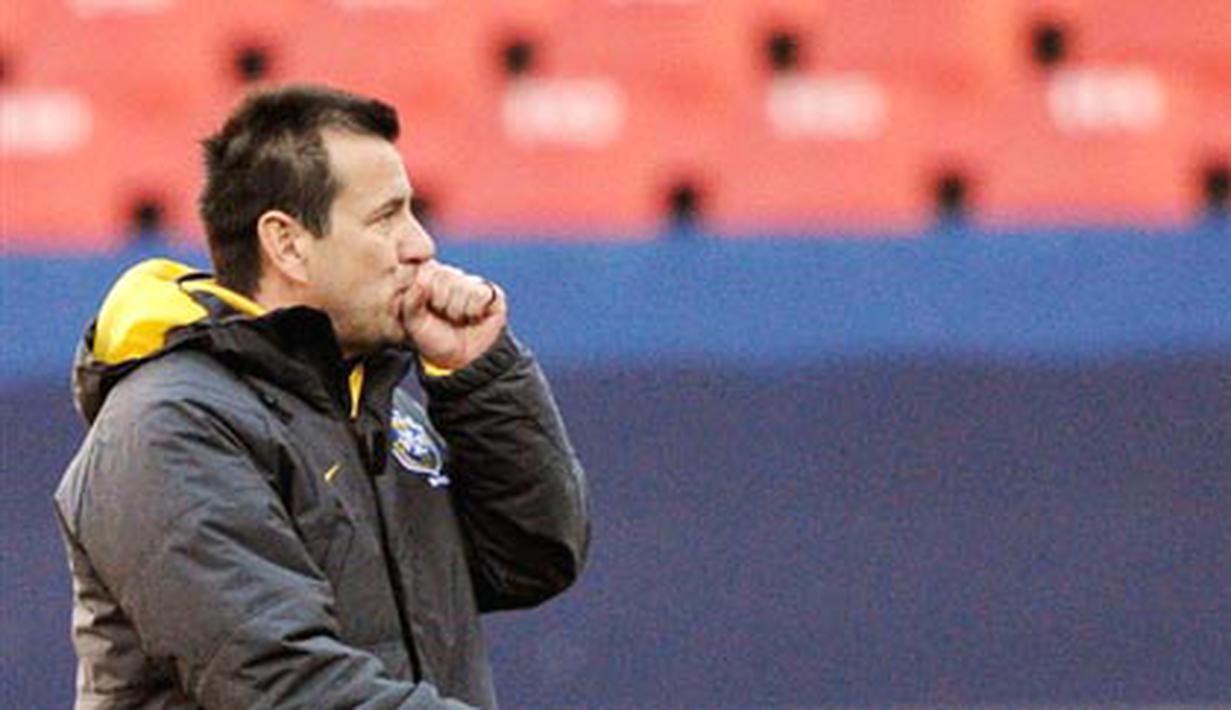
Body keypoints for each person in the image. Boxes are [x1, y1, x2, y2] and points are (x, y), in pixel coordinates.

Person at [53, 84, 590, 709]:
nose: (421, 244)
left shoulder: (374, 409)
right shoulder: (168, 426)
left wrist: (476, 378)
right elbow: (285, 683)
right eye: (386, 218)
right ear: (287, 244)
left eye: (413, 213)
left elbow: (534, 558)